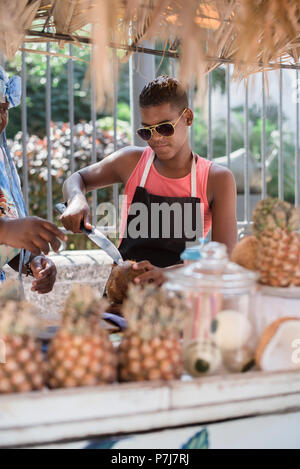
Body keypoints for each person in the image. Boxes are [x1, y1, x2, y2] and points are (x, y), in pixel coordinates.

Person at [61, 76, 237, 286]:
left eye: (164, 128)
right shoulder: (131, 162)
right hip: (125, 291)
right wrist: (76, 199)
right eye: (147, 131)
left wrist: (167, 275)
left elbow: (222, 260)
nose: (156, 138)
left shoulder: (216, 179)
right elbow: (77, 178)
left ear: (188, 118)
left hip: (179, 298)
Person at [0, 66, 66, 293]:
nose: (0, 120)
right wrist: (5, 230)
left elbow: (7, 241)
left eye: (3, 109)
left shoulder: (2, 168)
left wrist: (31, 262)